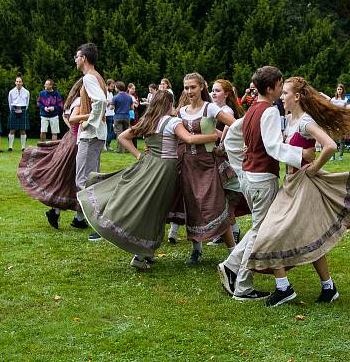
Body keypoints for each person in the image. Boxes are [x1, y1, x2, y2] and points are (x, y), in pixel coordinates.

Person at [242, 76, 350, 307]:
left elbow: (329, 145)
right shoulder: (288, 119)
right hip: (290, 183)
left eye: (286, 93)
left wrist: (314, 168)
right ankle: (328, 287)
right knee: (310, 236)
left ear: (297, 97)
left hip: (303, 184)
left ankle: (284, 288)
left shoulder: (305, 122)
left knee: (269, 234)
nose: (281, 97)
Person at [78, 90, 218, 269]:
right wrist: (213, 136)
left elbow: (122, 137)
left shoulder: (148, 121)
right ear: (169, 104)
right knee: (156, 208)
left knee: (149, 206)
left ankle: (145, 251)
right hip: (166, 169)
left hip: (149, 165)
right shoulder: (172, 122)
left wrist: (138, 155)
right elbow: (189, 139)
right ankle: (140, 254)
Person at [218, 66, 305, 302]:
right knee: (260, 232)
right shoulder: (269, 112)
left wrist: (241, 167)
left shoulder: (253, 109)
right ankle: (242, 286)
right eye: (280, 84)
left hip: (251, 177)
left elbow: (233, 138)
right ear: (270, 88)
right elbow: (273, 146)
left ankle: (231, 266)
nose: (282, 88)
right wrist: (301, 155)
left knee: (259, 227)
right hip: (262, 179)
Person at [171, 72, 236, 264]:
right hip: (187, 164)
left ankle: (233, 251)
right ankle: (196, 249)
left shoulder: (211, 108)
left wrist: (222, 144)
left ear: (201, 87)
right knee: (192, 205)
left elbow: (235, 125)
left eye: (193, 87)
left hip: (207, 163)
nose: (189, 91)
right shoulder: (181, 111)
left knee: (214, 205)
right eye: (186, 87)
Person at [18, 79, 83, 228]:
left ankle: (73, 216)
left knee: (71, 177)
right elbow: (72, 119)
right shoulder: (80, 101)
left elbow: (67, 117)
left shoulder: (75, 100)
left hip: (71, 139)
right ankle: (62, 213)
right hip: (75, 141)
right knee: (73, 176)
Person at [207, 78, 247, 246]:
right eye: (212, 90)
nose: (213, 93)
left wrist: (211, 135)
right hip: (221, 159)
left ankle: (233, 233)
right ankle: (227, 233)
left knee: (226, 199)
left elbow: (229, 131)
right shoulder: (218, 109)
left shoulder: (227, 111)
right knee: (222, 199)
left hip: (226, 160)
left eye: (217, 90)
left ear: (227, 94)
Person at [72, 43, 107, 234]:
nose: (76, 60)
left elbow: (100, 102)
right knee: (91, 178)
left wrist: (88, 123)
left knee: (84, 180)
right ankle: (81, 218)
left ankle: (99, 224)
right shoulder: (98, 77)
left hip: (91, 135)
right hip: (96, 135)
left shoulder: (89, 78)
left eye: (77, 57)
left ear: (84, 58)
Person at [7, 76, 31, 152]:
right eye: (17, 81)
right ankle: (10, 147)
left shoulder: (27, 92)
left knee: (23, 130)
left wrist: (22, 109)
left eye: (20, 81)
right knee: (12, 130)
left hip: (23, 109)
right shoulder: (11, 92)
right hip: (14, 109)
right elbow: (10, 103)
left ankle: (23, 147)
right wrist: (13, 110)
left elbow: (27, 103)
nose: (18, 83)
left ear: (22, 83)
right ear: (15, 82)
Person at [110, 82, 133, 153]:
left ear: (117, 88)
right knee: (127, 134)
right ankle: (127, 149)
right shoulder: (129, 97)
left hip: (118, 117)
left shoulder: (115, 97)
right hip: (126, 117)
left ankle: (120, 150)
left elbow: (111, 107)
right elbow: (132, 108)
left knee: (119, 134)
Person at [104, 79, 116, 150]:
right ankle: (106, 145)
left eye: (113, 86)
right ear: (107, 85)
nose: (113, 88)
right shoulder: (105, 93)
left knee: (111, 131)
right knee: (108, 131)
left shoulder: (111, 93)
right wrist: (110, 102)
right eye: (111, 86)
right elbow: (106, 102)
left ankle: (107, 144)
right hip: (107, 115)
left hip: (112, 114)